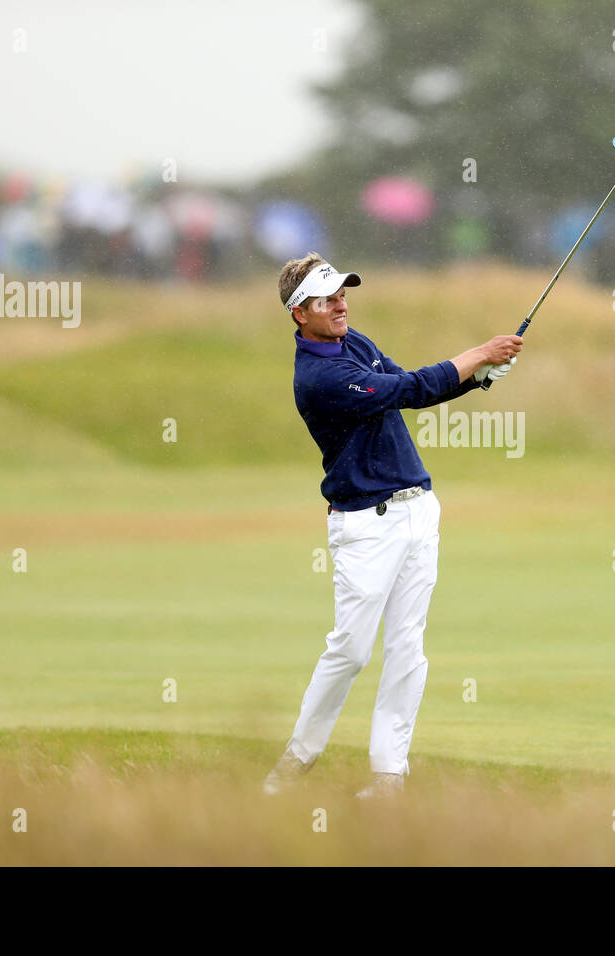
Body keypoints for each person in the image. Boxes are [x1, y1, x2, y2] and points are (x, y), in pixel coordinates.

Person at [263, 252, 523, 799]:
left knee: (408, 647)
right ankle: (297, 760)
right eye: (326, 298)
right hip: (364, 526)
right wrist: (479, 352)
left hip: (417, 511)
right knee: (351, 649)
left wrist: (477, 378)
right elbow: (402, 392)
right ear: (299, 314)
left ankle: (388, 776)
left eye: (342, 293)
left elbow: (415, 387)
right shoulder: (319, 377)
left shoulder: (353, 344)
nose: (340, 304)